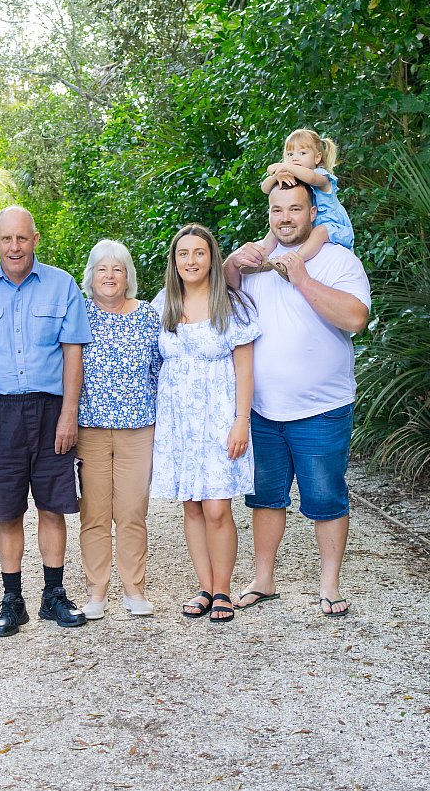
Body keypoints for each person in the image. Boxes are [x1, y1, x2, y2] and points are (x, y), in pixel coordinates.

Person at [224, 180, 371, 617]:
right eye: (277, 210)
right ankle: (264, 581)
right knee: (265, 497)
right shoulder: (257, 264)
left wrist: (302, 278)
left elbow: (356, 318)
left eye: (294, 209)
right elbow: (220, 297)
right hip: (263, 410)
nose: (285, 218)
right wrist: (232, 263)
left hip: (322, 410)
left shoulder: (338, 260)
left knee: (325, 497)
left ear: (312, 214)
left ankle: (330, 585)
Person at [0, 205, 93, 637]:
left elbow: (73, 352)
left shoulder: (62, 286)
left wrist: (70, 412)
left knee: (54, 506)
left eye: (22, 238)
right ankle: (12, 600)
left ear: (35, 239)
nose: (14, 247)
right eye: (6, 238)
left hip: (51, 410)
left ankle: (54, 595)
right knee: (7, 510)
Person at [150, 224, 259, 624]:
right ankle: (205, 587)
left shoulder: (233, 305)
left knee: (216, 507)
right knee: (192, 506)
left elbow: (245, 369)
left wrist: (240, 422)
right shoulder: (163, 304)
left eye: (198, 253)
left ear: (212, 257)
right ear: (174, 262)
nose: (190, 261)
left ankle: (224, 589)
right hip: (178, 420)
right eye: (183, 254)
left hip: (219, 417)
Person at [76, 239, 161, 619]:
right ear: (91, 276)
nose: (109, 276)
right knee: (93, 513)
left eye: (117, 269)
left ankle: (134, 589)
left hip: (138, 428)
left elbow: (160, 370)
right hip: (89, 429)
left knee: (131, 511)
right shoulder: (78, 314)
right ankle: (96, 592)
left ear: (128, 277)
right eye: (102, 269)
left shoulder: (146, 315)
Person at [243, 128, 353, 276]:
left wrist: (287, 167)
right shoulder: (294, 177)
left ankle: (291, 262)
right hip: (307, 225)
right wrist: (278, 176)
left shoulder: (322, 176)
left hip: (332, 227)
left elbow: (312, 179)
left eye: (302, 153)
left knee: (319, 232)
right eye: (290, 154)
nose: (295, 158)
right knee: (276, 229)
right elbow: (265, 188)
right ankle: (261, 259)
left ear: (317, 158)